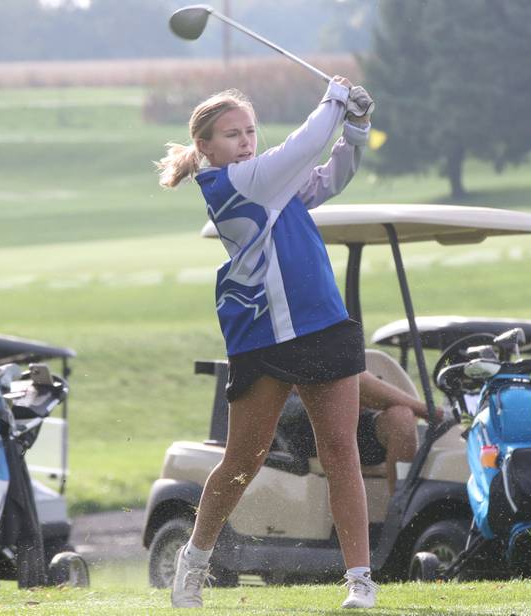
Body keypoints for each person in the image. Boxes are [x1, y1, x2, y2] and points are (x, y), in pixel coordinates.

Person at [156, 76, 377, 609]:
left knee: (341, 452)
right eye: (232, 134)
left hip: (322, 322)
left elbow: (328, 178)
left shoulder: (271, 183)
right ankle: (193, 562)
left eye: (250, 131)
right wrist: (334, 98)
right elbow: (303, 146)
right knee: (242, 460)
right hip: (265, 333)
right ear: (205, 147)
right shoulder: (234, 183)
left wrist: (358, 129)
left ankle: (360, 580)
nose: (246, 141)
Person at [279, 371, 443, 495]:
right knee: (350, 376)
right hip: (295, 422)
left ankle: (401, 509)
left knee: (401, 417)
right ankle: (432, 413)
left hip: (346, 417)